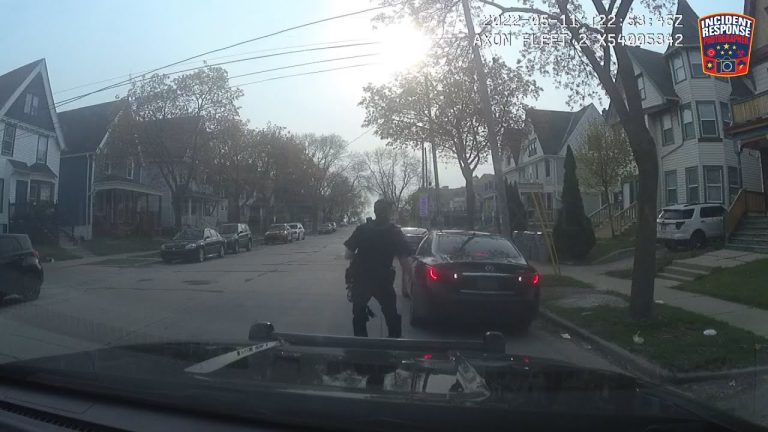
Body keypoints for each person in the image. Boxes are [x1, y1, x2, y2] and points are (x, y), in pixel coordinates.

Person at [344, 199, 411, 338]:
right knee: (391, 315)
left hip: (362, 280)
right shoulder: (395, 232)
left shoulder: (362, 229)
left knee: (359, 314)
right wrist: (407, 285)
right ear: (388, 212)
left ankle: (360, 347)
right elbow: (406, 263)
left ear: (375, 211)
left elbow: (348, 255)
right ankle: (394, 347)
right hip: (383, 281)